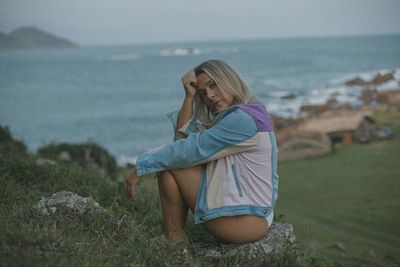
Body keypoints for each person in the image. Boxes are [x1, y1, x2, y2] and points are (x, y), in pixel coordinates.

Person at [125, 59, 278, 244]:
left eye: (214, 85)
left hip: (249, 221)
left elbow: (191, 149)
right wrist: (189, 97)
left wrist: (141, 165)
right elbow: (182, 141)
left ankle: (174, 240)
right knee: (170, 168)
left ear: (229, 79)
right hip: (250, 213)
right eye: (203, 93)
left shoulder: (244, 119)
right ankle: (174, 239)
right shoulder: (237, 115)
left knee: (172, 165)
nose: (210, 96)